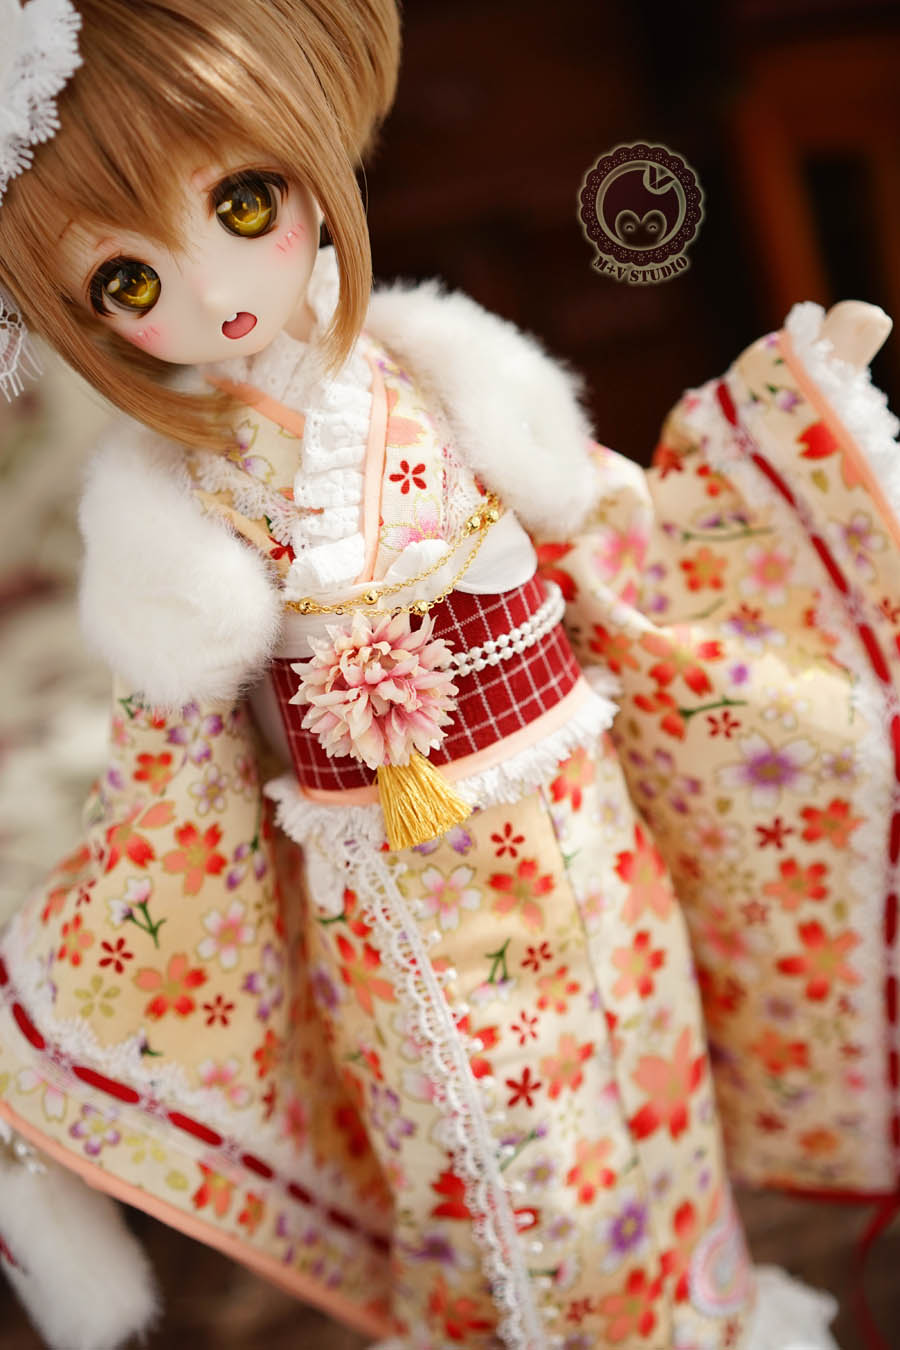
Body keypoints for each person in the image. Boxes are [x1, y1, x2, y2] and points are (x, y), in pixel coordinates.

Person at [0, 1, 850, 1346]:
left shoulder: (444, 370)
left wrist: (788, 425)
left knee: (646, 1086)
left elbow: (622, 530)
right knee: (477, 1150)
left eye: (241, 201)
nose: (214, 293)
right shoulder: (177, 507)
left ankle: (700, 1311)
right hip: (387, 892)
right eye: (128, 283)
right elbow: (167, 782)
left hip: (576, 824)